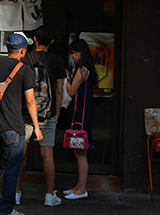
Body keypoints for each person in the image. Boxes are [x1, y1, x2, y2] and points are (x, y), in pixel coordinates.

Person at [0, 32, 42, 215]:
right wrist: (36, 127)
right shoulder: (24, 70)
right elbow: (30, 101)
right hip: (13, 127)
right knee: (11, 170)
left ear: (8, 48)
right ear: (23, 50)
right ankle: (6, 210)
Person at [17, 25, 66, 206]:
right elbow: (59, 90)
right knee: (47, 155)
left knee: (20, 154)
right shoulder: (57, 61)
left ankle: (15, 192)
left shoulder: (26, 58)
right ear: (51, 42)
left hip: (25, 113)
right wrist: (57, 112)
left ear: (35, 40)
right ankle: (50, 195)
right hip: (47, 113)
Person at [63, 38, 98, 200]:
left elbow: (71, 91)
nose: (72, 57)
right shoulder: (87, 70)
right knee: (79, 152)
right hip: (85, 115)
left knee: (80, 153)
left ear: (80, 53)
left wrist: (65, 78)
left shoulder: (81, 70)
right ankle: (78, 186)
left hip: (80, 117)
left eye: (73, 53)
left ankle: (82, 189)